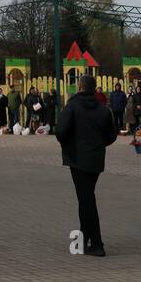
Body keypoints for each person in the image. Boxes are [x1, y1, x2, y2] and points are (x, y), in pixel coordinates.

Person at [56, 74, 118, 257]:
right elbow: (111, 136)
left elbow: (60, 131)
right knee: (86, 197)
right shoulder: (103, 109)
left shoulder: (73, 105)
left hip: (77, 158)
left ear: (81, 87)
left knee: (86, 201)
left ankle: (97, 244)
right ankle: (82, 241)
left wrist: (69, 144)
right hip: (96, 159)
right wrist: (98, 145)